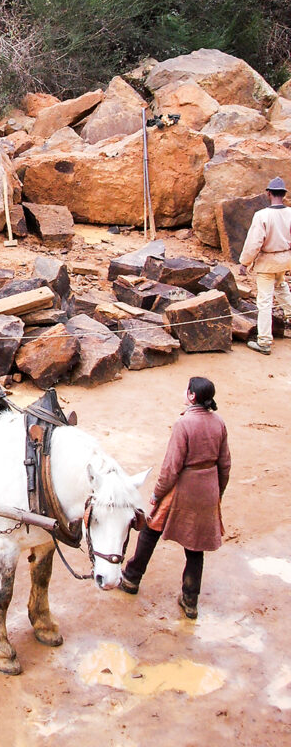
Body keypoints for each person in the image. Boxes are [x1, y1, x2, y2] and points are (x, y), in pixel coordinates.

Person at [119, 376, 231, 620]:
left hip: (182, 489)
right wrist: (217, 493)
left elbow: (170, 468)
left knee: (150, 531)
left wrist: (157, 494)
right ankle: (190, 601)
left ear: (191, 396)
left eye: (186, 389)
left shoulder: (184, 425)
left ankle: (131, 578)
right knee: (195, 547)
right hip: (208, 489)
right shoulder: (219, 423)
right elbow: (225, 464)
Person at [238, 176, 291, 355]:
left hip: (267, 263)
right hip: (284, 260)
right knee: (282, 287)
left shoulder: (262, 215)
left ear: (268, 193)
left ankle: (264, 341)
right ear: (283, 194)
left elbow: (254, 243)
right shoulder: (290, 213)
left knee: (265, 301)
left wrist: (245, 263)